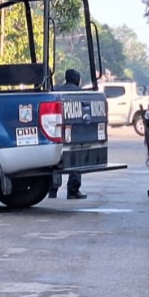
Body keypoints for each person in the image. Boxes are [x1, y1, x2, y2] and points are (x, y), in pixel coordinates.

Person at [48, 68, 86, 200]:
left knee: (56, 161)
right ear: (77, 80)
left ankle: (52, 190)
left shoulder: (55, 91)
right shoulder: (81, 93)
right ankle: (73, 191)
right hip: (74, 132)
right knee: (75, 161)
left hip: (56, 131)